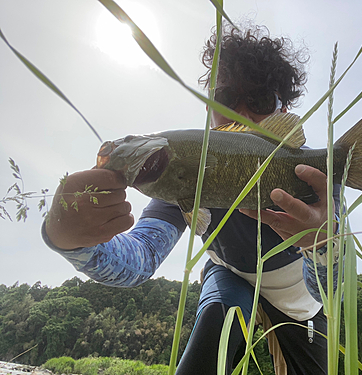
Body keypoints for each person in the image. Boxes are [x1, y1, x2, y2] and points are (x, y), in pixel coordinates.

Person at [42, 24, 340, 375]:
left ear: (284, 109)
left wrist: (323, 246)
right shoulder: (183, 168)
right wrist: (70, 240)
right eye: (226, 99)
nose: (241, 115)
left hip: (297, 301)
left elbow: (328, 291)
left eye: (260, 101)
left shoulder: (313, 176)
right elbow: (140, 259)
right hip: (230, 277)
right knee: (219, 314)